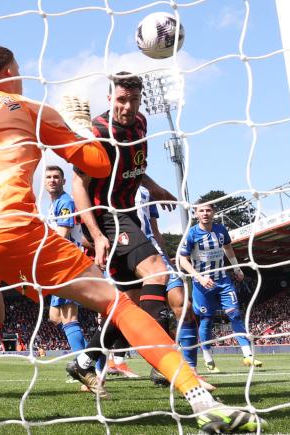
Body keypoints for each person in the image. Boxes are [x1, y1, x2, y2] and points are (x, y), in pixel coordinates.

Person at [0, 45, 266, 434]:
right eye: (18, 69)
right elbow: (98, 163)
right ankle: (200, 400)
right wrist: (79, 123)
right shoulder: (28, 108)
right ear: (6, 72)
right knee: (117, 303)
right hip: (8, 225)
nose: (22, 75)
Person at [68, 71, 182, 387]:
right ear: (109, 99)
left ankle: (83, 361)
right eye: (121, 100)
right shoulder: (98, 132)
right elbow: (78, 184)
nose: (128, 107)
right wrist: (97, 233)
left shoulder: (141, 123)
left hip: (125, 215)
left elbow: (135, 167)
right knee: (157, 272)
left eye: (134, 100)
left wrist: (154, 186)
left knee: (127, 303)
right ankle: (163, 361)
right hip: (105, 216)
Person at [135, 185, 214, 390]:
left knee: (184, 306)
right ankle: (93, 366)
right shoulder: (106, 185)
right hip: (125, 255)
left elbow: (154, 230)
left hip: (154, 254)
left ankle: (189, 370)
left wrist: (166, 259)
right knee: (120, 316)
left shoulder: (145, 192)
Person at [178, 203, 262, 370]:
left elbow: (228, 248)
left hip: (223, 281)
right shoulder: (191, 234)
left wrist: (236, 268)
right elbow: (182, 260)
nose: (205, 213)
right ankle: (208, 358)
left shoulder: (221, 230)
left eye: (208, 210)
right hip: (202, 285)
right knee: (206, 320)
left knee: (235, 314)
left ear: (214, 212)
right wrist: (199, 278)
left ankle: (248, 355)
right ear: (196, 214)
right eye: (201, 210)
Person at [43, 165, 88, 357]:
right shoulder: (53, 205)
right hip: (60, 266)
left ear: (63, 181)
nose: (52, 180)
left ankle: (86, 366)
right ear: (44, 182)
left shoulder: (66, 202)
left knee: (69, 316)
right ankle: (91, 356)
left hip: (68, 264)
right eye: (48, 177)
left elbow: (62, 237)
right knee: (55, 317)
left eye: (56, 177)